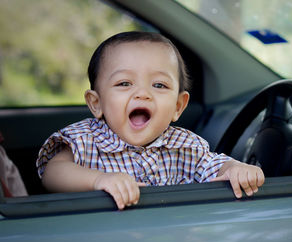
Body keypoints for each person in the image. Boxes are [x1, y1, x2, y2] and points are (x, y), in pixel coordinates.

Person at [37, 31, 264, 210]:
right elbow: (53, 173)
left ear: (178, 106)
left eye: (159, 85)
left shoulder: (185, 146)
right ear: (96, 103)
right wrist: (100, 180)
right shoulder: (85, 140)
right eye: (124, 83)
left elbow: (215, 166)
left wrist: (236, 168)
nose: (142, 94)